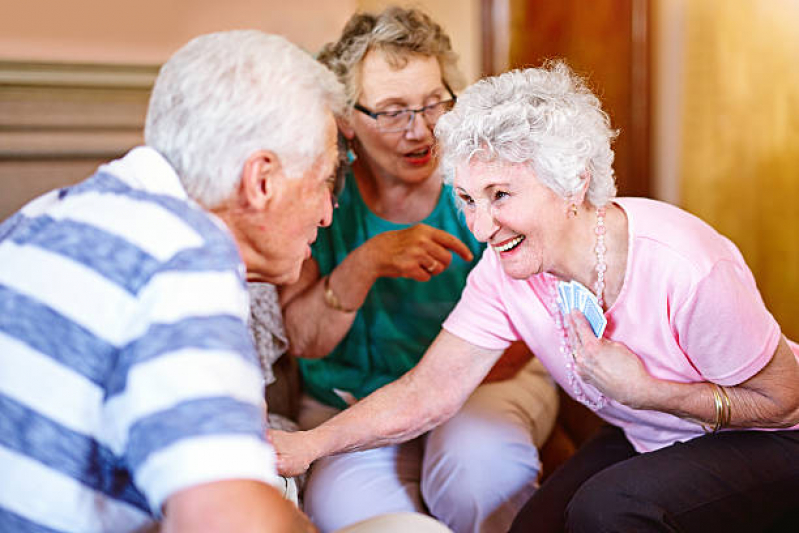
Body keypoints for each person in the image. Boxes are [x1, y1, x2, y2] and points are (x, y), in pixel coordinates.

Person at [272, 60, 799, 532]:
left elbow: (783, 401)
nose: (480, 228)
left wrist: (647, 393)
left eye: (500, 195)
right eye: (467, 199)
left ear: (573, 181)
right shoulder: (506, 273)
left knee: (609, 509)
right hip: (657, 434)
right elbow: (428, 391)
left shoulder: (685, 265)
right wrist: (306, 446)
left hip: (774, 438)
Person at [0, 30, 344, 533]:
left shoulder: (38, 219)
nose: (328, 214)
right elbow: (233, 523)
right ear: (262, 180)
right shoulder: (182, 256)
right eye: (323, 183)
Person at [276, 7, 557, 533]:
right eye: (392, 111)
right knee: (354, 515)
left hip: (489, 379)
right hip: (350, 398)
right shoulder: (321, 187)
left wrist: (427, 392)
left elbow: (539, 319)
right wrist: (366, 263)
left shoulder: (484, 173)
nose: (422, 131)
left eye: (434, 104)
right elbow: (303, 340)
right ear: (346, 119)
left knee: (480, 474)